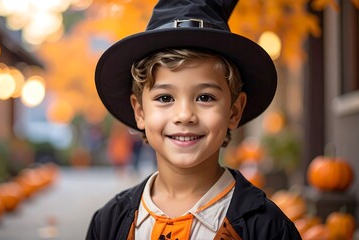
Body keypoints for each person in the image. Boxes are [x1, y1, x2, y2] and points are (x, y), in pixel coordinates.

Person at [86, 0, 302, 239]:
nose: (185, 115)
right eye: (166, 97)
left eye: (205, 97)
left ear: (233, 111)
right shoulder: (108, 222)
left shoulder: (268, 228)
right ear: (140, 112)